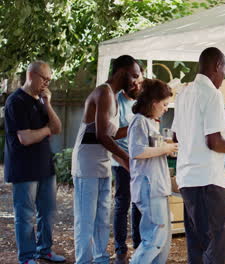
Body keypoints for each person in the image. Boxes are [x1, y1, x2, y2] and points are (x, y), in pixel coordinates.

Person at [171, 47, 225, 264]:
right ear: (217, 66)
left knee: (197, 246)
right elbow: (214, 142)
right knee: (219, 248)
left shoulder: (183, 94)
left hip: (187, 180)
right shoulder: (212, 94)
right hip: (207, 180)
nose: (224, 75)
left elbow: (175, 136)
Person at [71, 55, 141, 264]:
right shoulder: (103, 92)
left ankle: (101, 259)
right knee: (86, 220)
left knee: (102, 218)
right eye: (135, 76)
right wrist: (127, 157)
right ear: (122, 72)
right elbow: (101, 135)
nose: (137, 81)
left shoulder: (116, 97)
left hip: (102, 165)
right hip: (87, 165)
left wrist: (138, 123)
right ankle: (83, 261)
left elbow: (113, 134)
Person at [4, 61, 64, 264]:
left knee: (47, 212)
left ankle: (44, 250)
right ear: (31, 74)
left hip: (45, 166)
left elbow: (58, 127)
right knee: (26, 214)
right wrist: (46, 130)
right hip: (23, 168)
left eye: (49, 79)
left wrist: (48, 103)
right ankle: (27, 257)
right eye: (44, 79)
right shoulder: (16, 101)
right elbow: (25, 138)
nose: (46, 83)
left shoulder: (40, 100)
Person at [128, 79, 177, 264]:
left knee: (163, 239)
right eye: (164, 104)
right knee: (155, 237)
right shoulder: (139, 121)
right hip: (149, 187)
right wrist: (164, 149)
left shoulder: (149, 122)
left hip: (158, 187)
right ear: (154, 102)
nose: (166, 108)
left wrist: (166, 146)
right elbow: (137, 151)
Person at [112, 66, 144, 264]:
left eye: (139, 80)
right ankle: (120, 250)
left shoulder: (143, 101)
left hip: (141, 159)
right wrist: (135, 124)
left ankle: (140, 248)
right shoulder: (116, 100)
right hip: (122, 158)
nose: (137, 85)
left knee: (139, 204)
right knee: (122, 204)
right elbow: (113, 133)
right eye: (134, 80)